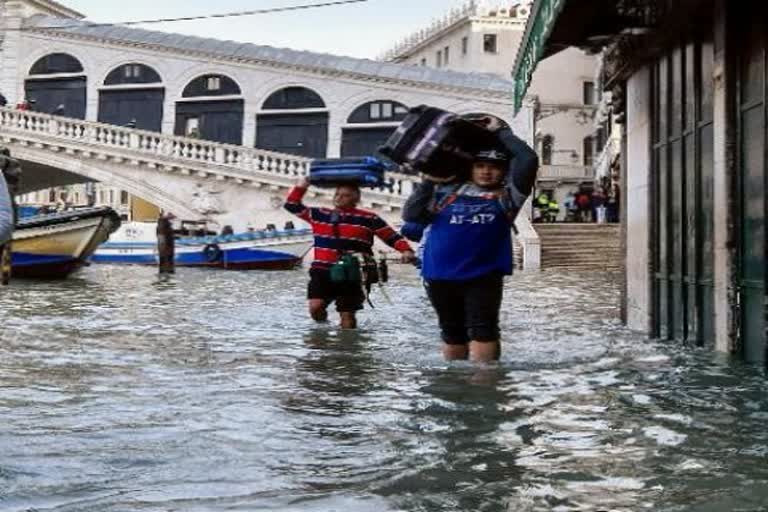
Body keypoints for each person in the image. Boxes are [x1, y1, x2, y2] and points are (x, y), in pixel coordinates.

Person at [402, 121, 538, 362]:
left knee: (483, 329)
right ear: (470, 168)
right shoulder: (443, 193)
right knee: (451, 332)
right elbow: (411, 216)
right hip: (439, 274)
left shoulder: (508, 196)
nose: (487, 171)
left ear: (504, 171)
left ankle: (485, 386)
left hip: (484, 275)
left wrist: (501, 131)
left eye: (495, 167)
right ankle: (455, 386)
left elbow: (527, 159)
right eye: (480, 165)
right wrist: (429, 181)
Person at [285, 180, 415, 329]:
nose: (339, 198)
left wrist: (406, 250)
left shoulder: (369, 218)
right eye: (337, 194)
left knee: (347, 314)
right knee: (315, 307)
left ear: (356, 199)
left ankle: (346, 348)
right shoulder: (319, 214)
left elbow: (391, 237)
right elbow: (292, 205)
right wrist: (304, 184)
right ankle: (322, 333)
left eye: (345, 195)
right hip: (322, 271)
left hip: (353, 271)